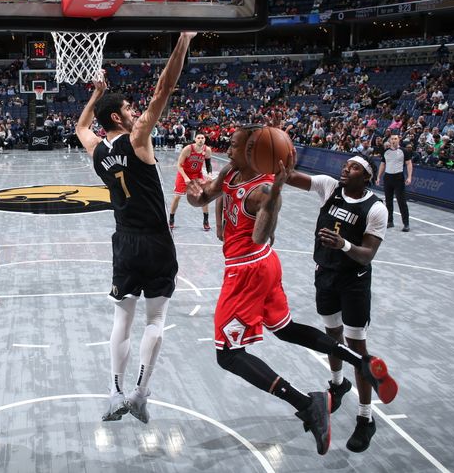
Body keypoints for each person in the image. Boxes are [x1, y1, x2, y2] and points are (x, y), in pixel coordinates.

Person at [186, 125, 397, 455]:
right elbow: (204, 194)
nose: (227, 147)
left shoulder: (262, 191)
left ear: (254, 151)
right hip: (266, 265)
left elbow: (260, 235)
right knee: (284, 329)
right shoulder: (231, 170)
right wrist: (194, 192)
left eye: (234, 144)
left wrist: (274, 197)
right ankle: (360, 360)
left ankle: (306, 404)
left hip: (248, 270)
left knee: (227, 355)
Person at [75, 32, 195, 424]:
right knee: (155, 320)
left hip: (124, 240)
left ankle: (114, 393)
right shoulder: (139, 138)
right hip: (156, 241)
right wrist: (183, 42)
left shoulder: (97, 151)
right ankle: (141, 393)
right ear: (118, 118)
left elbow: (80, 127)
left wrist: (97, 94)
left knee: (120, 322)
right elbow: (166, 87)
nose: (134, 111)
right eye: (128, 108)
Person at [286, 154, 390, 452]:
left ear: (367, 176)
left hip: (354, 281)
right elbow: (292, 178)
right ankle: (337, 384)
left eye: (354, 167)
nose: (346, 168)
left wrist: (342, 244)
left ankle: (366, 418)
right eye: (346, 164)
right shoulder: (329, 187)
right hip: (326, 276)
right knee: (332, 337)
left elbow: (368, 254)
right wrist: (279, 168)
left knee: (357, 349)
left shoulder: (376, 209)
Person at [169, 133, 212, 230]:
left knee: (204, 197)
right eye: (198, 138)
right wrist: (185, 177)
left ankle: (206, 220)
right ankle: (171, 218)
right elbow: (179, 165)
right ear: (195, 139)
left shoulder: (207, 150)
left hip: (197, 174)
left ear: (204, 139)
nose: (201, 139)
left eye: (202, 138)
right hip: (184, 173)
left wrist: (209, 174)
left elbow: (208, 165)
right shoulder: (188, 149)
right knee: (177, 197)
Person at [375, 134, 412, 232]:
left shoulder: (404, 151)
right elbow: (383, 164)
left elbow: (409, 164)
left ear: (398, 140)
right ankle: (390, 221)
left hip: (398, 178)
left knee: (401, 201)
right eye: (392, 139)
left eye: (395, 139)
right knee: (388, 201)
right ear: (390, 140)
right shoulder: (386, 152)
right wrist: (378, 177)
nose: (394, 140)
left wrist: (409, 177)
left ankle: (406, 224)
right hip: (388, 177)